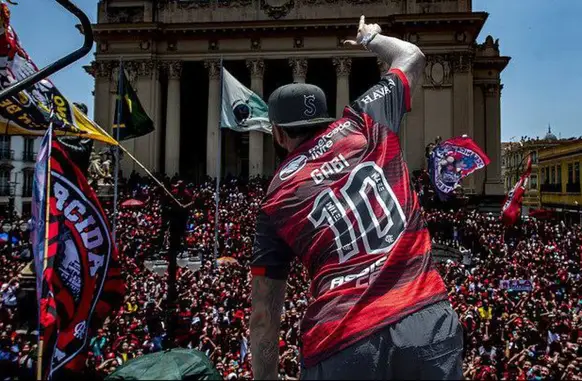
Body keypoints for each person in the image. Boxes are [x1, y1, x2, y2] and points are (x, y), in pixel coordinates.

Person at [249, 15, 463, 380]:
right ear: (324, 118)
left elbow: (264, 316)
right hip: (425, 319)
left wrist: (265, 376)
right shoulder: (366, 119)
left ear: (278, 134)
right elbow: (411, 56)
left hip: (341, 341)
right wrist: (370, 38)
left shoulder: (275, 200)